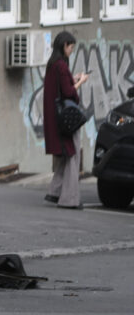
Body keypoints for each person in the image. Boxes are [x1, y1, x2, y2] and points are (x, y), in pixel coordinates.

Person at [42, 31, 89, 209]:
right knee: (72, 156)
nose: (71, 51)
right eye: (71, 47)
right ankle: (69, 199)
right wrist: (81, 81)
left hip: (56, 119)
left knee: (65, 156)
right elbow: (69, 92)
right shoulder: (61, 66)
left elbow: (61, 86)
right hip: (66, 120)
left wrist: (73, 78)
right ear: (64, 46)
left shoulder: (53, 64)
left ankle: (54, 192)